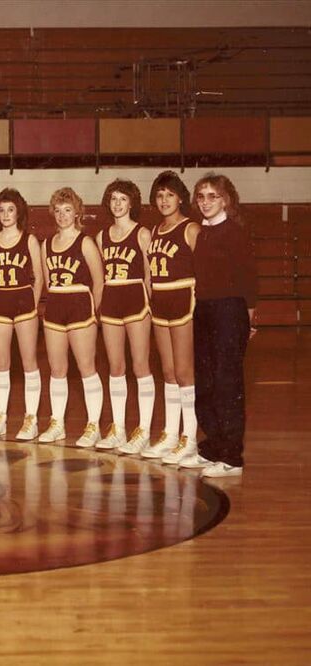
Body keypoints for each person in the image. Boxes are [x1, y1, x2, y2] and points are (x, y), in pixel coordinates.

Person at [183, 173, 257, 477]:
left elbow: (248, 278)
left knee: (227, 384)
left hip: (230, 310)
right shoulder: (203, 233)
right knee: (206, 381)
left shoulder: (235, 232)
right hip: (205, 309)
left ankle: (231, 457)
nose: (205, 202)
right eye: (201, 196)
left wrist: (248, 319)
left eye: (212, 196)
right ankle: (213, 446)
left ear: (225, 199)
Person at [139, 171, 200, 464]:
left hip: (183, 298)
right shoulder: (155, 230)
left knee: (185, 372)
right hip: (160, 301)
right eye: (160, 195)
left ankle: (190, 437)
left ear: (180, 198)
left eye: (169, 195)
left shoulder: (191, 228)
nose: (164, 201)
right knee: (168, 372)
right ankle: (171, 434)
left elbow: (206, 270)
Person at [39, 187, 105, 446]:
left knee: (86, 367)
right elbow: (47, 282)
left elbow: (99, 281)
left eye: (67, 210)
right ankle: (57, 423)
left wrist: (94, 314)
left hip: (80, 306)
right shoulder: (47, 245)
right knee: (57, 369)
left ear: (77, 212)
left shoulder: (85, 242)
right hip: (55, 304)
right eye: (58, 211)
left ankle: (93, 425)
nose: (62, 215)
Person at [94, 179, 155, 452]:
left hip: (135, 297)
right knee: (115, 367)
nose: (117, 204)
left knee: (140, 366)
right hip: (111, 299)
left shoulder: (142, 233)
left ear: (132, 203)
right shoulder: (101, 236)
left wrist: (153, 303)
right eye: (113, 199)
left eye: (122, 199)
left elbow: (150, 272)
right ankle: (118, 428)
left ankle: (143, 430)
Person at [0, 188, 43, 440]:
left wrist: (33, 304)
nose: (6, 215)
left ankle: (31, 419)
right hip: (1, 301)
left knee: (29, 364)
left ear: (19, 213)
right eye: (2, 210)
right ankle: (0, 418)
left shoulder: (29, 240)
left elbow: (39, 277)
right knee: (1, 364)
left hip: (24, 300)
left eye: (10, 210)